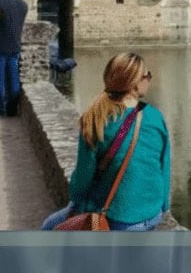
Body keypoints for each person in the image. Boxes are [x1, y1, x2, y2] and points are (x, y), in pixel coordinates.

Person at [41, 53, 171, 231]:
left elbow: (82, 180)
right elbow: (164, 167)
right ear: (135, 82)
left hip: (113, 218)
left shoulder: (97, 120)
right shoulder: (155, 117)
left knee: (49, 227)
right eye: (147, 76)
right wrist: (163, 206)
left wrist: (79, 205)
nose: (149, 80)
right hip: (151, 215)